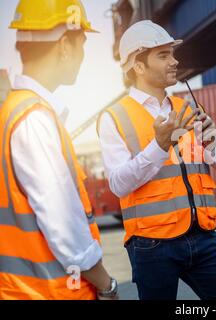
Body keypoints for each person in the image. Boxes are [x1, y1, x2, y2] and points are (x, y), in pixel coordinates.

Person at [97, 20, 216, 300]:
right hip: (152, 245)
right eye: (163, 55)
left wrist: (212, 139)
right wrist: (159, 145)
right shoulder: (114, 117)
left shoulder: (187, 107)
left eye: (172, 54)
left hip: (203, 236)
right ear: (138, 66)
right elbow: (117, 185)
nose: (174, 61)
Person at [0, 0, 117, 300]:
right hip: (50, 292)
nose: (82, 56)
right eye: (82, 44)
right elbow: (64, 226)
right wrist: (106, 284)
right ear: (65, 45)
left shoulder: (13, 113)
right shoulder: (34, 118)